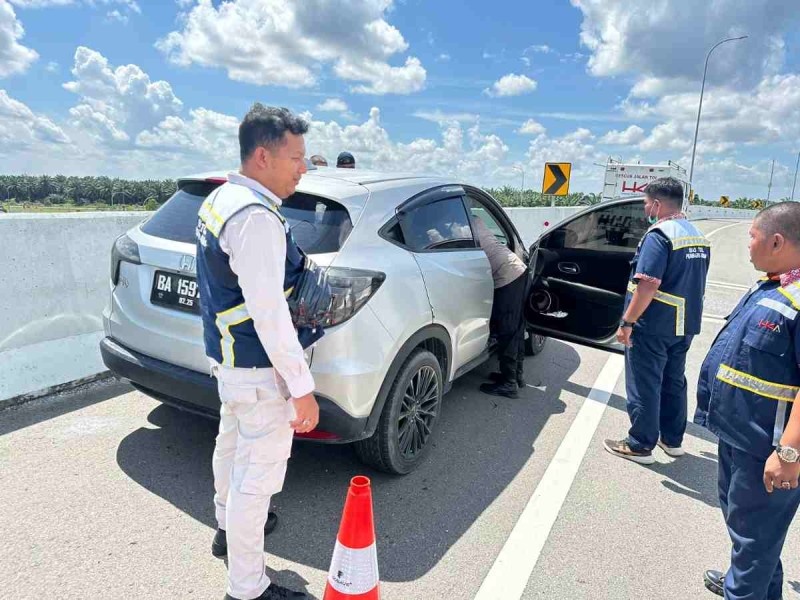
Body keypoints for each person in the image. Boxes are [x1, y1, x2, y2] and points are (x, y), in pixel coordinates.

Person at [195, 104, 321, 600]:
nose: (304, 168)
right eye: (297, 157)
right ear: (264, 156)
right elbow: (269, 314)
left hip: (230, 361)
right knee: (258, 477)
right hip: (258, 368)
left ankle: (227, 530)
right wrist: (301, 389)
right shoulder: (256, 218)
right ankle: (247, 588)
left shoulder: (221, 200)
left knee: (230, 447)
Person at [695, 202, 800, 600]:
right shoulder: (772, 284)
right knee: (751, 533)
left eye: (752, 236)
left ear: (776, 240)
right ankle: (753, 585)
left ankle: (745, 588)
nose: (748, 244)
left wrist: (788, 452)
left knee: (754, 538)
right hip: (740, 435)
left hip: (767, 448)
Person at [604, 177, 710, 464]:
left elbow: (648, 284)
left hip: (655, 324)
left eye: (647, 203)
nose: (646, 208)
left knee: (644, 382)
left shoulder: (659, 235)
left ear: (658, 204)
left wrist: (628, 322)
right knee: (673, 381)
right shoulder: (695, 234)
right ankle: (671, 440)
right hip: (684, 324)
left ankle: (640, 444)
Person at [472, 214, 529, 399]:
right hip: (517, 270)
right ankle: (516, 376)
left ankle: (509, 383)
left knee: (508, 329)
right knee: (517, 328)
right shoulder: (474, 219)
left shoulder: (461, 228)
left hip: (508, 276)